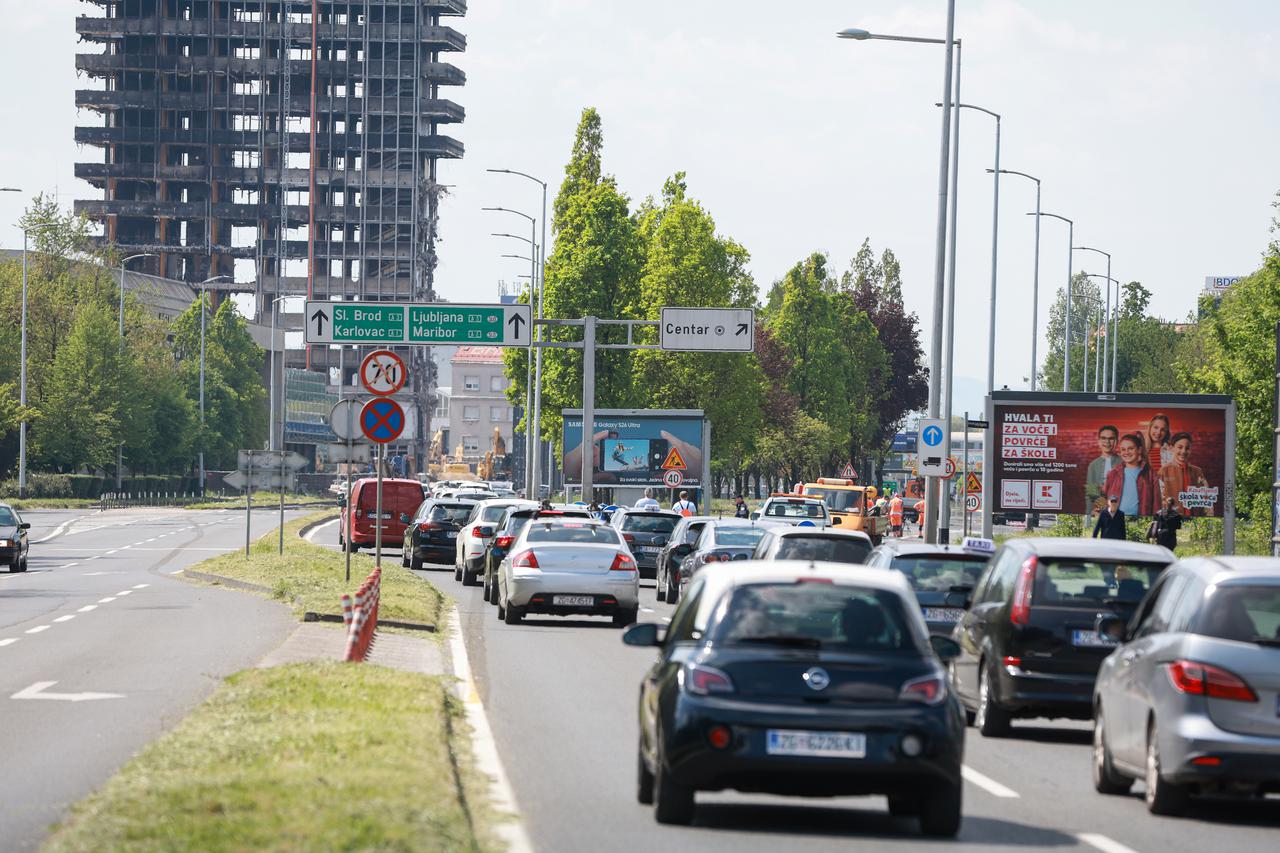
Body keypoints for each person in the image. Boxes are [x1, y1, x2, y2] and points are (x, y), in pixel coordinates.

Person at [1103, 433, 1158, 518]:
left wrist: (1155, 520)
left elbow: (1156, 504)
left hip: (1140, 520)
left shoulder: (1150, 474)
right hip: (1115, 519)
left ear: (1139, 450)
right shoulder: (1113, 474)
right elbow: (1103, 498)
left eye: (1130, 448)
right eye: (1123, 449)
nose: (1126, 452)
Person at [1159, 431, 1210, 516]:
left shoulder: (1197, 471)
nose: (1183, 451)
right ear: (1172, 448)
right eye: (1180, 447)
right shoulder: (1164, 471)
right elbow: (1159, 499)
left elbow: (1207, 499)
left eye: (1187, 448)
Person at [1085, 425, 1120, 515]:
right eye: (1103, 438)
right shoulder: (1093, 465)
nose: (1107, 442)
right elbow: (1091, 493)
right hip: (1100, 510)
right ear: (1099, 441)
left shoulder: (1124, 462)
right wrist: (1089, 513)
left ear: (1117, 441)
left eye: (1111, 438)